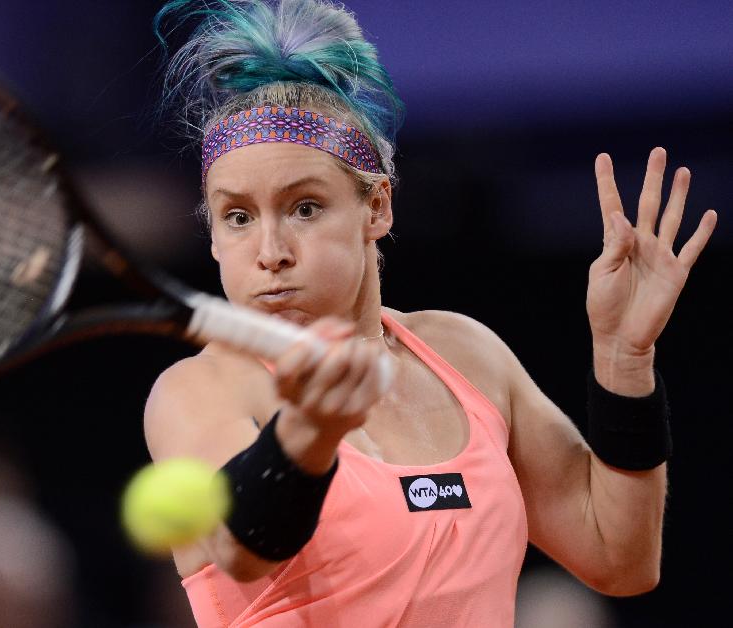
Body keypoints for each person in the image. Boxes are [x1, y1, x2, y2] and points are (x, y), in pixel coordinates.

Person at [143, 1, 718, 626]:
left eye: (305, 207)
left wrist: (623, 362)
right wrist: (310, 431)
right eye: (238, 217)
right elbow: (240, 550)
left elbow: (620, 559)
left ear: (377, 208)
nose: (271, 253)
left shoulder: (465, 353)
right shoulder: (195, 393)